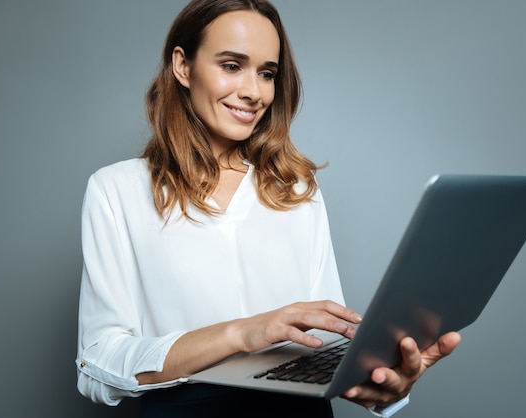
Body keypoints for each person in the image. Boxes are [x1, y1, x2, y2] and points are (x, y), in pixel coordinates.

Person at [75, 0, 461, 417]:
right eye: (231, 65)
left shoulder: (296, 189)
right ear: (183, 66)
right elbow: (97, 365)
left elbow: (331, 335)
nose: (253, 92)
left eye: (267, 73)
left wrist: (380, 385)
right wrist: (243, 333)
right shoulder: (117, 190)